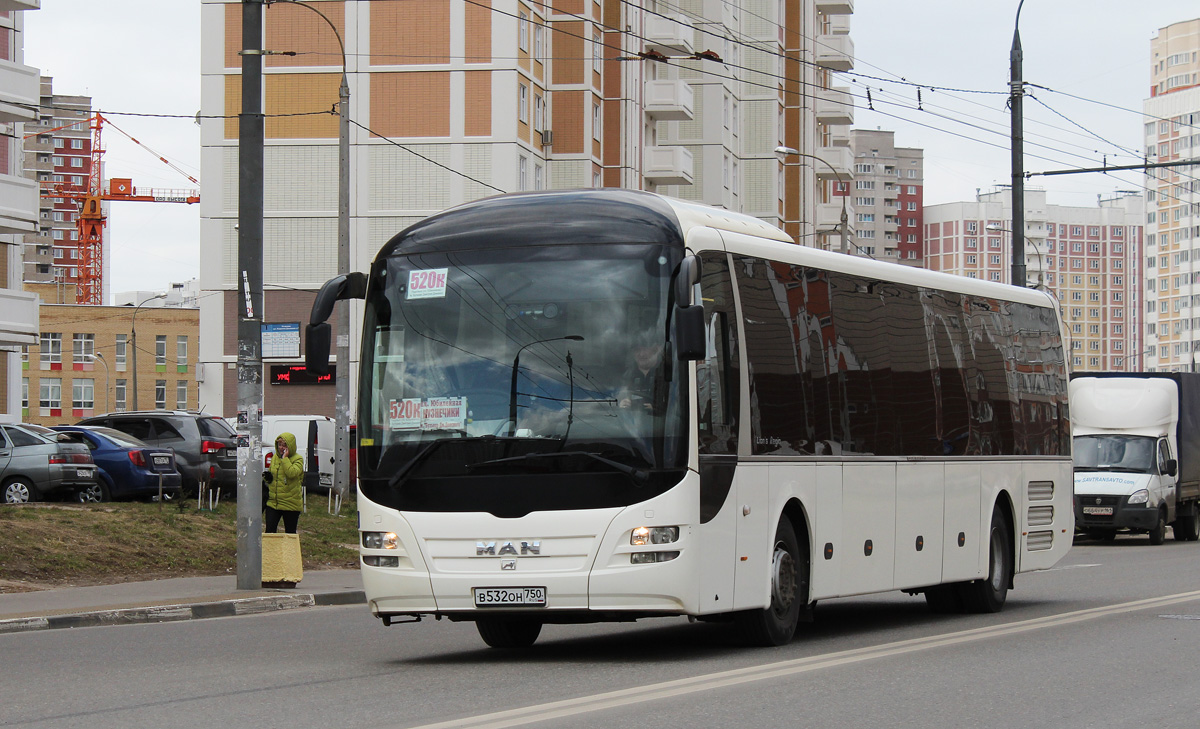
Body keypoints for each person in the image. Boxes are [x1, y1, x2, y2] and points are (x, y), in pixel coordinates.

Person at [264, 432, 304, 534]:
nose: (281, 448)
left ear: (290, 446)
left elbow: (292, 473)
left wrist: (285, 459)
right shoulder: (275, 458)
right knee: (270, 531)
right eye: (279, 445)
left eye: (284, 445)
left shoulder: (298, 459)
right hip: (274, 502)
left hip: (290, 503)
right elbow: (273, 475)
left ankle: (289, 550)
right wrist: (268, 478)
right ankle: (271, 550)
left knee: (290, 533)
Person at [618, 338, 663, 413]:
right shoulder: (626, 376)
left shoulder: (666, 375)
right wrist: (621, 402)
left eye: (645, 349)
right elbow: (616, 397)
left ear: (655, 350)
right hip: (630, 422)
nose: (641, 354)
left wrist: (656, 408)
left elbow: (674, 407)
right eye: (637, 350)